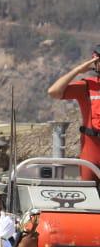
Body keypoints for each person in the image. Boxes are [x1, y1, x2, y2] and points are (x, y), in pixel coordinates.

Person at [46, 51, 100, 181]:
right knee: (88, 195)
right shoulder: (86, 86)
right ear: (95, 64)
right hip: (91, 149)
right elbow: (53, 92)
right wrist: (77, 70)